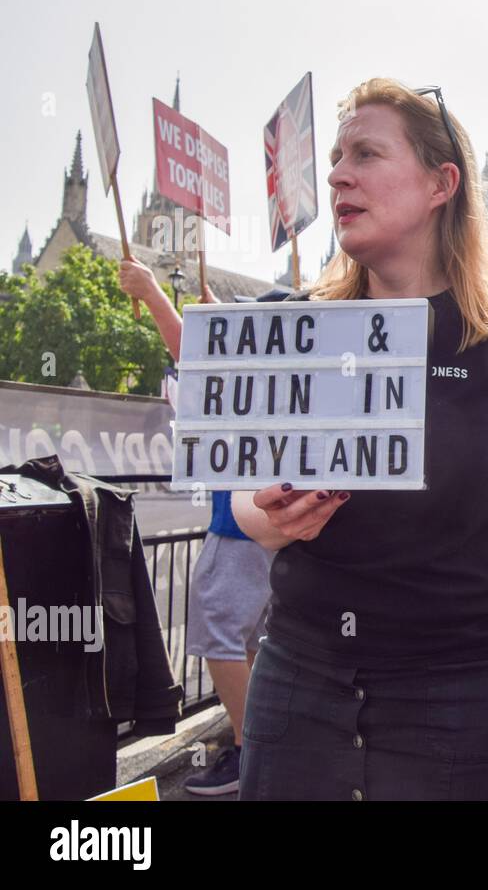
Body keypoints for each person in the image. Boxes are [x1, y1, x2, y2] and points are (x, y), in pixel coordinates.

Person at [231, 78, 488, 800]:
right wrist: (273, 516)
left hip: (464, 701)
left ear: (442, 184)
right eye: (338, 156)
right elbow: (245, 506)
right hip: (301, 690)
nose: (338, 173)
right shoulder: (301, 323)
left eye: (366, 154)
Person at [118, 259, 275, 796]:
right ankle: (258, 745)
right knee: (249, 639)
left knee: (218, 635)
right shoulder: (284, 373)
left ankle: (249, 752)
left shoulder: (248, 370)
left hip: (241, 524)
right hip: (267, 522)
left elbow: (192, 352)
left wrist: (152, 291)